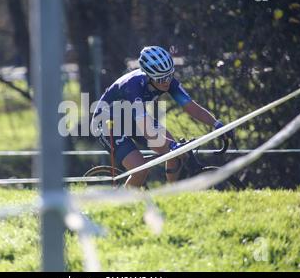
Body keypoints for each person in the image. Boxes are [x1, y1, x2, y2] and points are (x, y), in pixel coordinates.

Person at [91, 46, 234, 188]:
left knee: (176, 154)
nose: (166, 81)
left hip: (131, 118)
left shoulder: (167, 80)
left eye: (169, 76)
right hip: (106, 122)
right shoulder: (133, 86)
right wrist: (171, 145)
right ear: (148, 76)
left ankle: (172, 195)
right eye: (160, 79)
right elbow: (146, 129)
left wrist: (217, 125)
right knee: (140, 170)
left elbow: (191, 107)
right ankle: (123, 204)